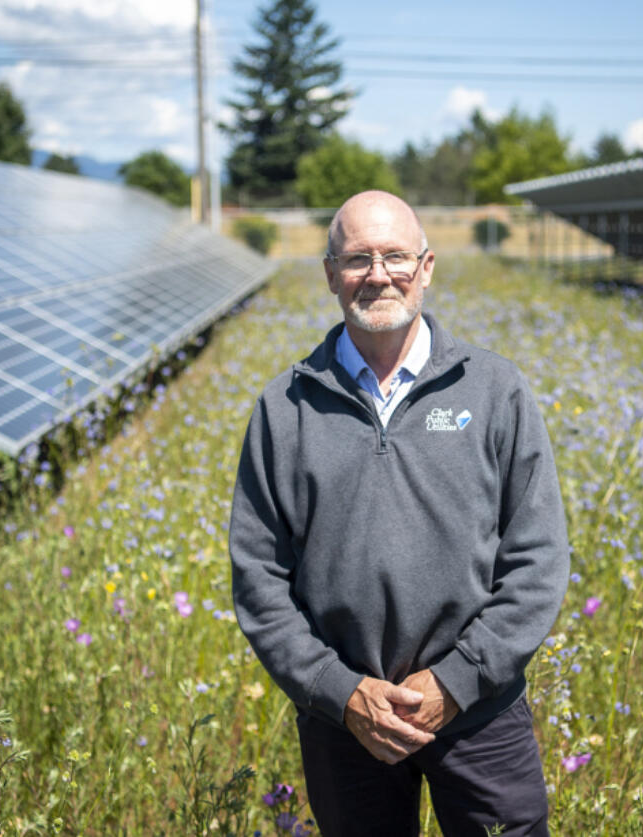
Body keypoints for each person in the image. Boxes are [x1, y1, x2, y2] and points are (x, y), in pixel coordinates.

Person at [230, 190, 569, 836]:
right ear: (330, 274)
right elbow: (259, 580)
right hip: (346, 721)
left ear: (427, 266)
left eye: (395, 256)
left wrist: (458, 680)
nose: (378, 274)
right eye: (357, 259)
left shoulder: (495, 389)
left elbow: (538, 558)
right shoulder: (285, 409)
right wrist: (339, 689)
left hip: (479, 712)